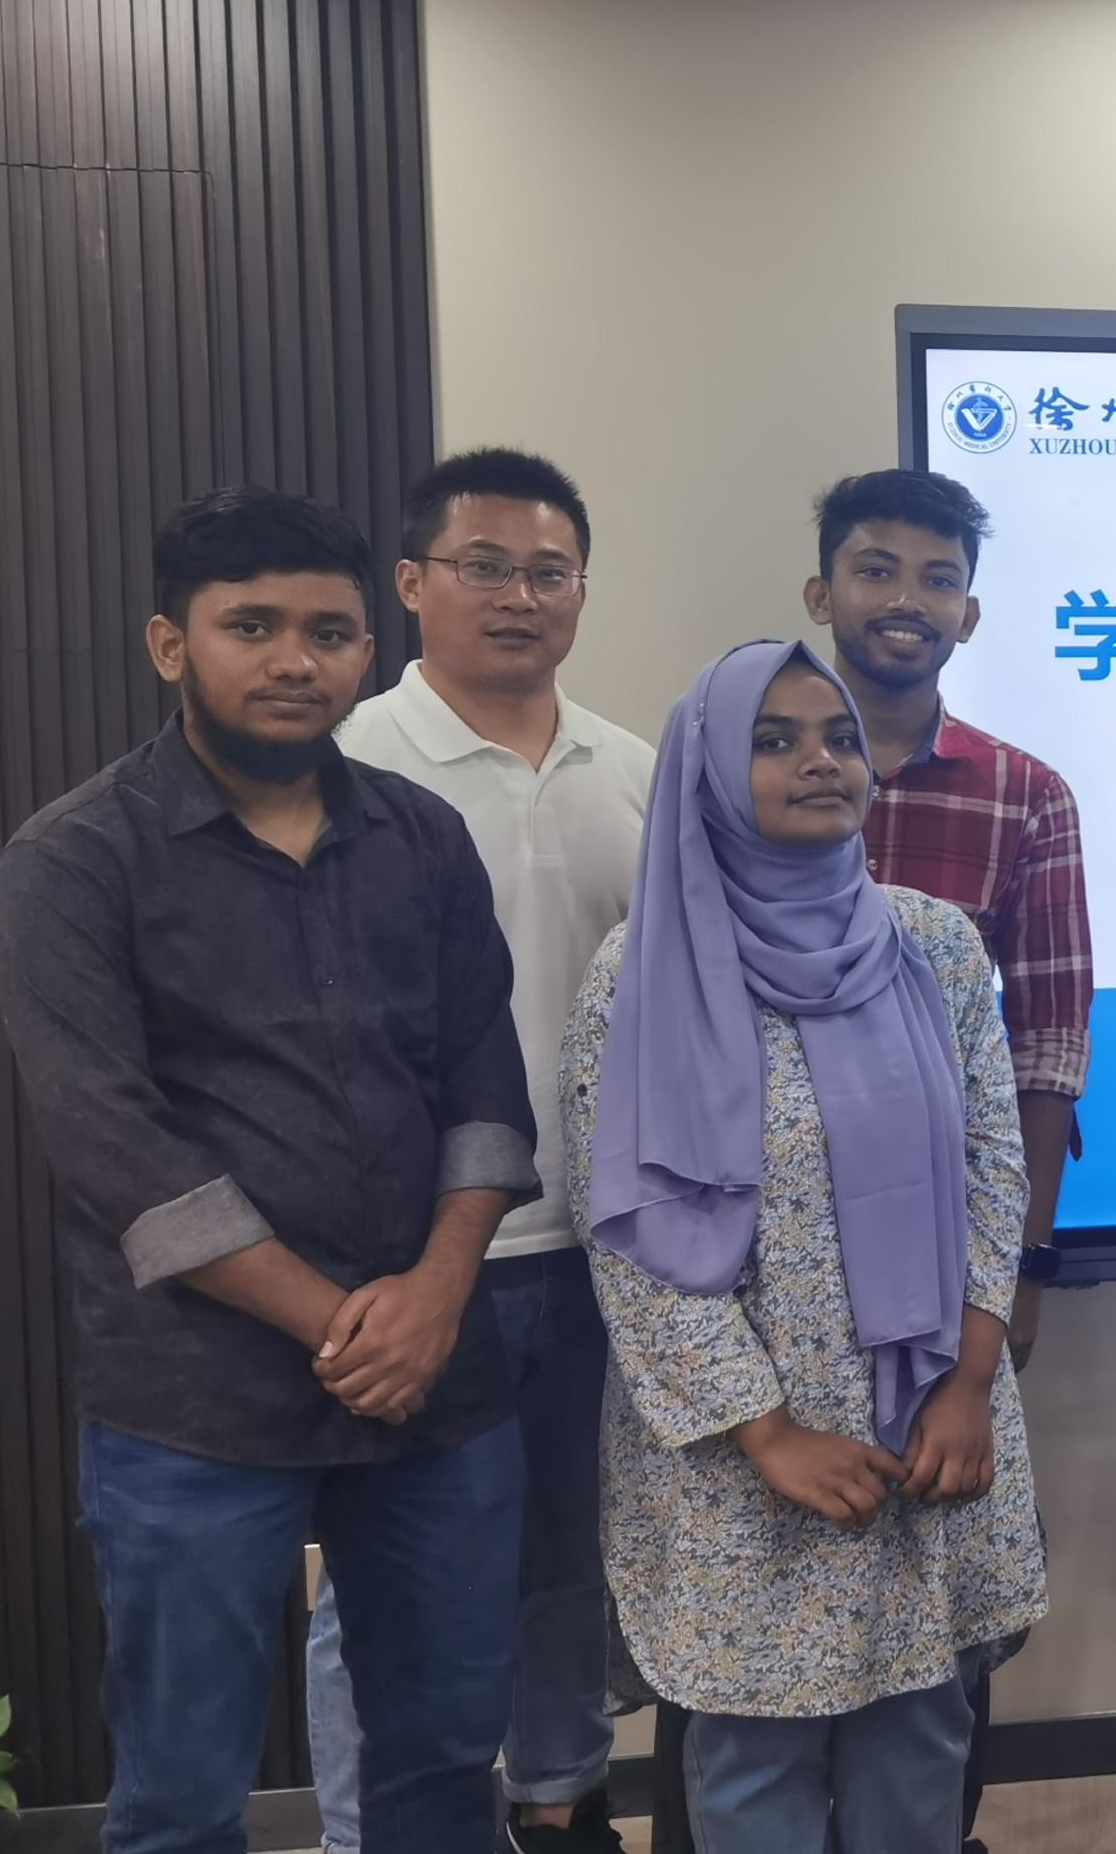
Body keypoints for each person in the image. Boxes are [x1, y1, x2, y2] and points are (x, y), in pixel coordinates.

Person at [0, 488, 538, 1850]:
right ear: (170, 644)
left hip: (438, 1390)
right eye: (252, 627)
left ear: (368, 647)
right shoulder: (76, 859)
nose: (297, 660)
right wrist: (349, 1327)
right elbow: (115, 1145)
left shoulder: (422, 838)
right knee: (182, 1794)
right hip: (195, 1401)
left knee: (444, 1764)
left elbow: (486, 1093)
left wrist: (432, 1299)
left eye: (330, 633)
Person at [572, 640, 1047, 1854]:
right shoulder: (644, 973)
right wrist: (769, 1431)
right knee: (752, 1756)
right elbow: (629, 1229)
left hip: (924, 1421)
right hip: (745, 1452)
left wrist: (969, 1382)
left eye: (837, 737)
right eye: (772, 741)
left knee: (920, 1729)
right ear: (707, 772)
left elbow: (996, 1165)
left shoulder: (934, 946)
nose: (819, 762)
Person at [299, 450, 653, 1854]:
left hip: (604, 1252)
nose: (519, 596)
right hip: (409, 1262)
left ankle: (562, 1805)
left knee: (571, 1557)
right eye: (484, 567)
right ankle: (363, 1834)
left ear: (582, 590)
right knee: (384, 1578)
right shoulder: (345, 766)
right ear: (411, 582)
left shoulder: (634, 771)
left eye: (548, 571)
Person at [800, 468, 1087, 1846]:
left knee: (943, 1578)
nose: (905, 599)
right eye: (876, 568)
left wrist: (1019, 1271)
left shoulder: (1026, 795)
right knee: (764, 1577)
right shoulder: (742, 770)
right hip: (770, 1267)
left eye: (936, 578)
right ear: (822, 594)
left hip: (946, 1266)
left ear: (969, 613)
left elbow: (1048, 1052)